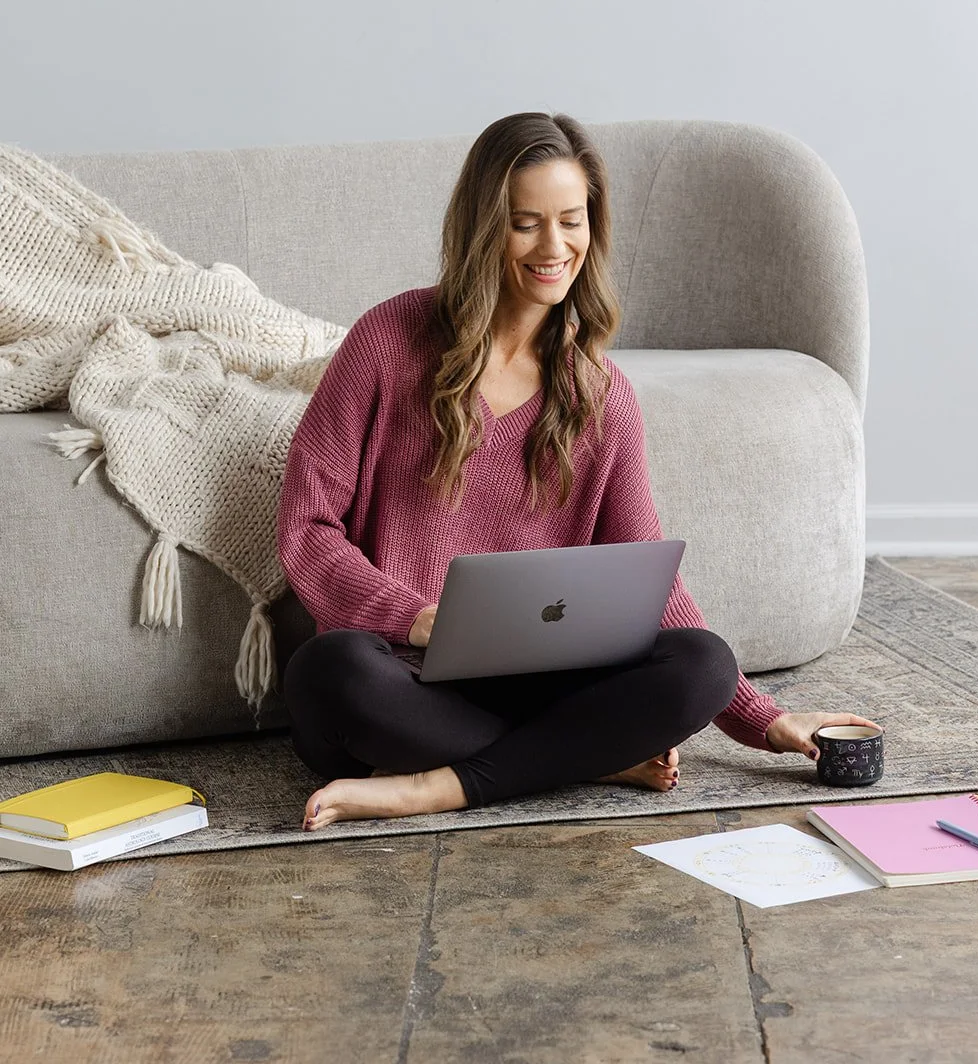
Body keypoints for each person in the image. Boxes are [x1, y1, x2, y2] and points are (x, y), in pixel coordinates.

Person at [278, 112, 881, 831]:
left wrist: (760, 718)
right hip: (398, 679)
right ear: (482, 229)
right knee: (328, 673)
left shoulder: (601, 396)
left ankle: (430, 787)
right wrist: (415, 621)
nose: (553, 246)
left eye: (572, 220)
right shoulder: (388, 340)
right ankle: (578, 759)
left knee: (702, 664)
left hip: (537, 687)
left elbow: (650, 579)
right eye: (525, 223)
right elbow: (306, 531)